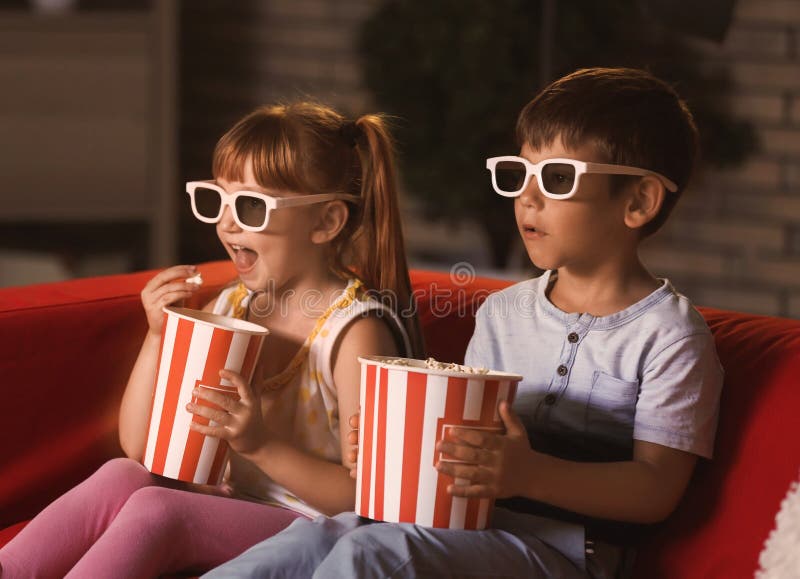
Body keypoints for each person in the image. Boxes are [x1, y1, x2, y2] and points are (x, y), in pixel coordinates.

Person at [203, 67, 725, 579]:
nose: (527, 196)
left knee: (375, 554)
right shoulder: (503, 313)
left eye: (557, 178)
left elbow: (656, 489)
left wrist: (530, 474)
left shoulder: (671, 336)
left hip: (566, 552)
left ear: (639, 201)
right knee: (310, 540)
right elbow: (458, 443)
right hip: (462, 527)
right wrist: (390, 447)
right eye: (520, 174)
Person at [0, 102, 424, 579]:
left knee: (160, 510)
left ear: (326, 222)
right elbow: (140, 448)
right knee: (124, 477)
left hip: (314, 529)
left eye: (250, 207)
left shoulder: (356, 333)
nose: (226, 224)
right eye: (216, 200)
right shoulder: (230, 308)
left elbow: (371, 496)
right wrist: (158, 336)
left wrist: (260, 445)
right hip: (224, 504)